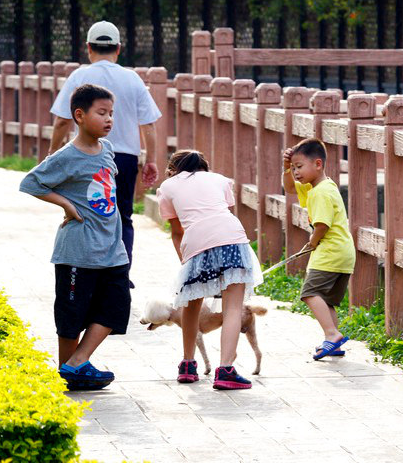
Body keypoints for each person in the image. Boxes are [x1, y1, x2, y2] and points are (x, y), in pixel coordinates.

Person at [20, 84, 131, 390]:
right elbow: (31, 182)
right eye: (102, 113)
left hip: (112, 248)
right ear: (79, 116)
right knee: (72, 316)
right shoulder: (68, 155)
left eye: (111, 113)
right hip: (78, 250)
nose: (109, 119)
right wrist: (67, 203)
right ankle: (69, 375)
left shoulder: (107, 149)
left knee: (117, 306)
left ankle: (75, 364)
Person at [49, 20, 161, 279]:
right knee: (122, 215)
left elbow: (62, 121)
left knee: (84, 212)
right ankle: (120, 275)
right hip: (124, 158)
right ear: (118, 48)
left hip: (85, 155)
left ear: (88, 47)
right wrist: (151, 160)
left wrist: (52, 156)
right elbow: (149, 124)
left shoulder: (79, 76)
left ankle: (87, 270)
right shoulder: (132, 78)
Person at [156, 149, 263, 390]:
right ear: (204, 167)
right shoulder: (221, 180)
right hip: (232, 239)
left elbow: (177, 231)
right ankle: (225, 370)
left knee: (192, 303)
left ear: (173, 170)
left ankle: (187, 365)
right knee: (233, 307)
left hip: (196, 243)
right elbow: (222, 214)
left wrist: (186, 263)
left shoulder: (168, 186)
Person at [282, 138, 355, 360]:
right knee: (327, 299)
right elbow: (288, 189)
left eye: (299, 167)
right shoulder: (320, 186)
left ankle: (332, 334)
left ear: (318, 164)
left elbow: (322, 224)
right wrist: (286, 168)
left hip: (329, 251)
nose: (296, 172)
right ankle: (335, 342)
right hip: (343, 252)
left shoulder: (320, 192)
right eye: (293, 168)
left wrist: (313, 242)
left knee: (310, 293)